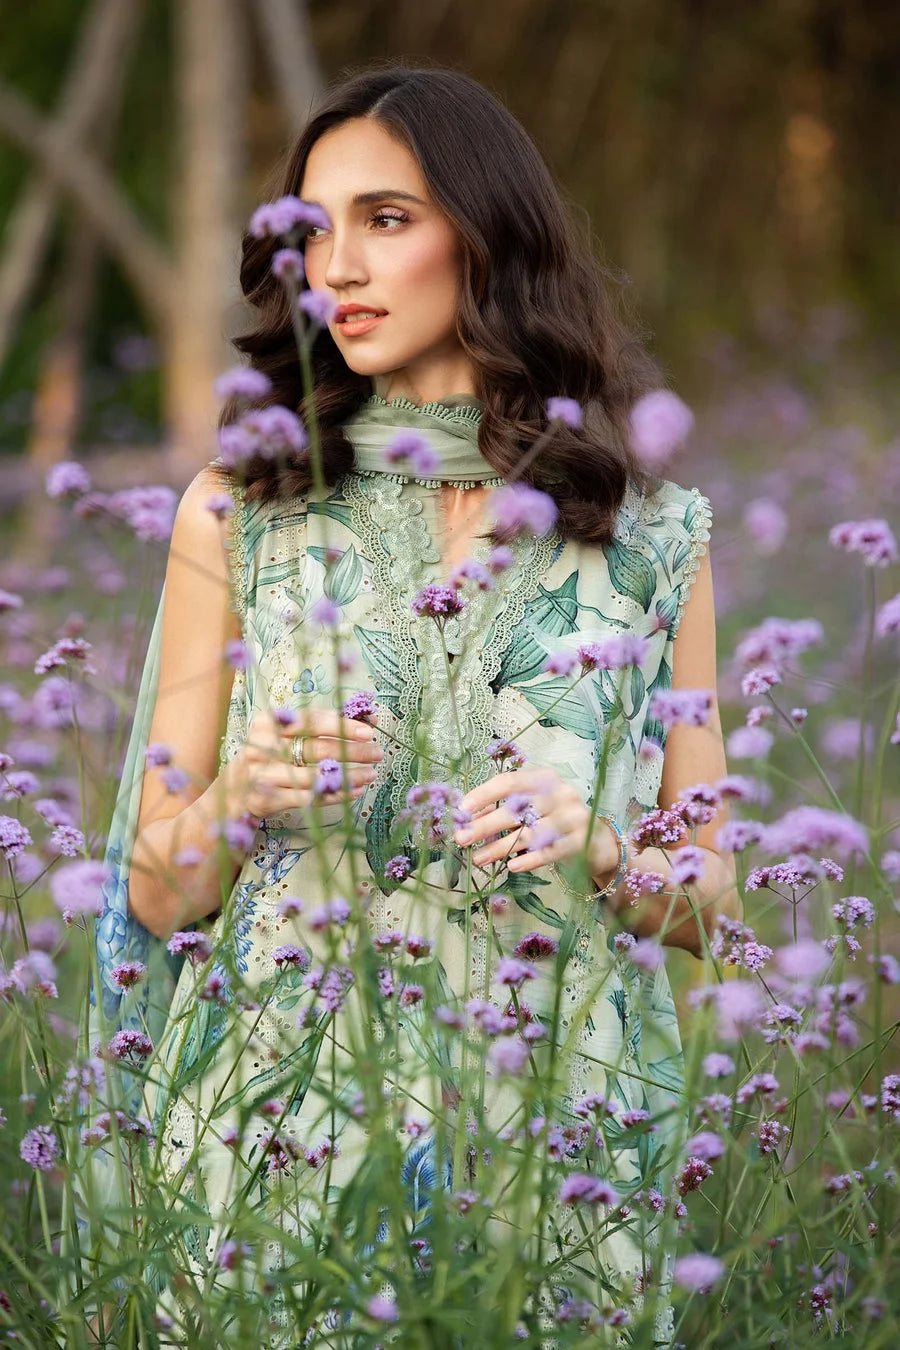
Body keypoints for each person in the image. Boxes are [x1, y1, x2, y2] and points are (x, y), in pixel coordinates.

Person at [90, 64, 740, 1347]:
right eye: (313, 229)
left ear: (487, 235)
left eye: (387, 219)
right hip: (275, 1126)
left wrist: (606, 851)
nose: (340, 264)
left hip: (558, 1127)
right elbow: (155, 891)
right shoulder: (240, 513)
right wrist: (241, 796)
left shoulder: (653, 535)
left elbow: (718, 902)